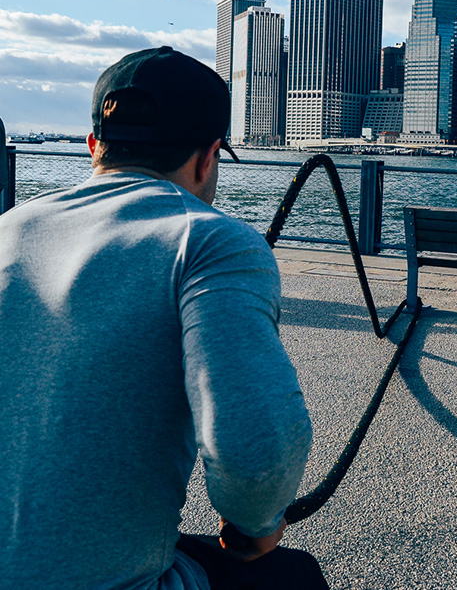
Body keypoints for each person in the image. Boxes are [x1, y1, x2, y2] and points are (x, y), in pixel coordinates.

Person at [0, 46, 326, 588]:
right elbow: (254, 447)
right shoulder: (210, 240)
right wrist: (256, 524)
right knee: (291, 575)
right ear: (208, 157)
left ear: (92, 147)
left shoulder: (7, 229)